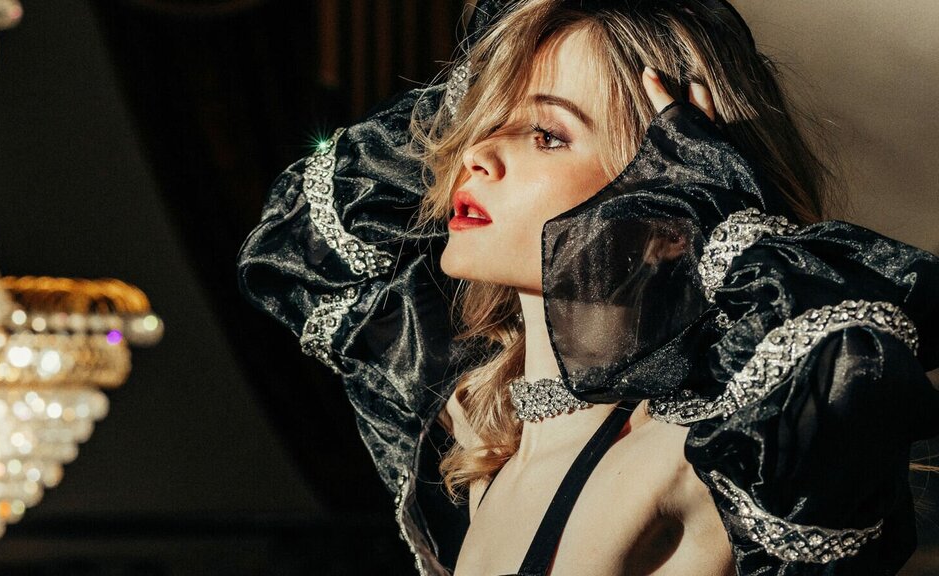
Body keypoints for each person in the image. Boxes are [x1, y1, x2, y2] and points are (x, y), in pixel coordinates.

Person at [238, 1, 939, 575]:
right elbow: (304, 238)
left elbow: (850, 352)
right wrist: (487, 77)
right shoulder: (483, 449)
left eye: (546, 134)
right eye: (486, 121)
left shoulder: (697, 461)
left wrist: (718, 218)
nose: (474, 153)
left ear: (670, 186)